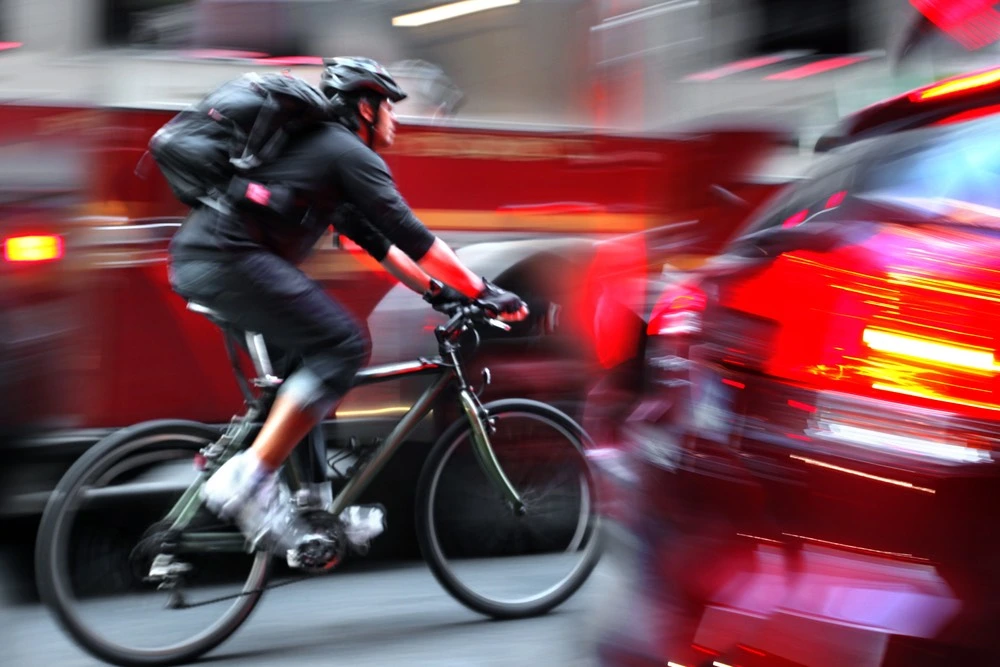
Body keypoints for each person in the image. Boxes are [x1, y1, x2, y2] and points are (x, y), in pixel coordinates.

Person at [167, 56, 528, 564]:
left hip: (209, 260)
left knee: (308, 365)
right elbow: (413, 234)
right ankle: (248, 478)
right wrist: (484, 290)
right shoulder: (345, 153)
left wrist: (439, 293)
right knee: (343, 344)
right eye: (389, 108)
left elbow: (380, 245)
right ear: (366, 106)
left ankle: (312, 513)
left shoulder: (324, 160)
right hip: (226, 260)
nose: (395, 120)